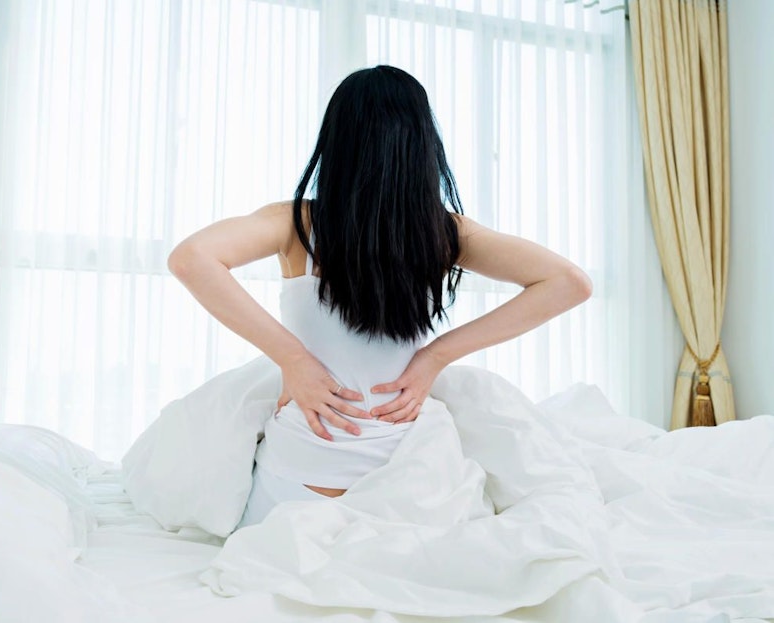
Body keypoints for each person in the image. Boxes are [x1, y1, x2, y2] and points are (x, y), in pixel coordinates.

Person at [167, 65, 592, 529]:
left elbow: (191, 258)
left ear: (336, 141)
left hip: (298, 483)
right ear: (422, 145)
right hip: (411, 486)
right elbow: (569, 282)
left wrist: (293, 359)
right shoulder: (444, 234)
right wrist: (434, 357)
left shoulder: (296, 223)